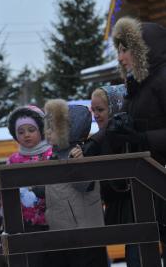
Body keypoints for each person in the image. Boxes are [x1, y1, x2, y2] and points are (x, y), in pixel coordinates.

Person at [107, 16, 166, 266]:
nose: (120, 58)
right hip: (146, 184)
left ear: (143, 49)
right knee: (141, 253)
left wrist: (143, 137)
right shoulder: (137, 86)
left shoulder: (163, 80)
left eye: (125, 49)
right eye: (119, 50)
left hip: (160, 179)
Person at [42, 99, 109, 267]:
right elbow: (54, 189)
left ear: (70, 130)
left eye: (53, 128)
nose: (47, 132)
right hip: (63, 232)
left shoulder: (79, 153)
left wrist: (77, 165)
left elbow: (85, 185)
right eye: (47, 127)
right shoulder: (55, 155)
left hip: (84, 233)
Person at [85, 85, 140, 266]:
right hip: (121, 203)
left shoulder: (125, 134)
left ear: (116, 108)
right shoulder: (100, 138)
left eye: (100, 110)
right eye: (93, 110)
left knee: (137, 252)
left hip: (136, 203)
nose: (96, 115)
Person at [0, 105, 52, 266]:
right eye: (21, 132)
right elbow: (5, 192)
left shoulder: (50, 154)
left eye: (31, 129)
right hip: (24, 225)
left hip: (52, 222)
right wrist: (6, 214)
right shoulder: (13, 160)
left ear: (41, 130)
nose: (26, 135)